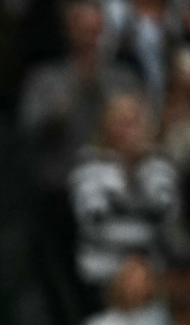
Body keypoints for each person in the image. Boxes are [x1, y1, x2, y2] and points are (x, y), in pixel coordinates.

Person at [19, 0, 141, 192]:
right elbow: (32, 132)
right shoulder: (44, 80)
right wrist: (75, 88)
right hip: (60, 186)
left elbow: (141, 129)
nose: (88, 35)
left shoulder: (123, 78)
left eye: (93, 28)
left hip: (117, 186)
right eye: (81, 27)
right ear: (67, 29)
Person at [69, 92, 179, 291]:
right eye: (120, 123)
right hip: (103, 272)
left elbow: (166, 214)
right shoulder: (88, 163)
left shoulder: (158, 163)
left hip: (152, 273)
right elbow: (94, 218)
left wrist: (143, 168)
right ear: (106, 127)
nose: (128, 131)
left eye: (133, 122)